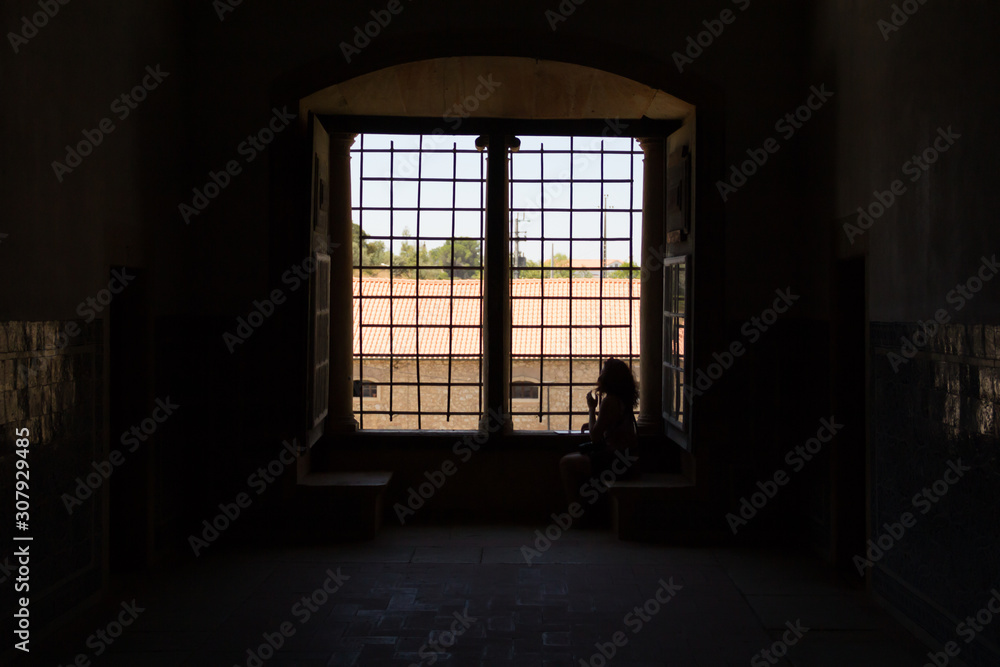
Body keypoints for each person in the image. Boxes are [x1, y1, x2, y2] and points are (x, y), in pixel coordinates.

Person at [558, 358, 639, 510]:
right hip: (626, 459)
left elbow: (595, 436)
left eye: (603, 372)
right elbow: (606, 425)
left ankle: (576, 513)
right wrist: (593, 423)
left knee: (566, 463)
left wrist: (591, 408)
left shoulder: (609, 401)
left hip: (615, 461)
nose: (600, 375)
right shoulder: (623, 400)